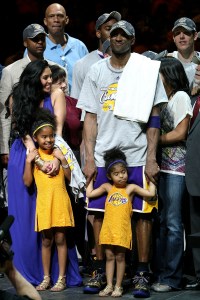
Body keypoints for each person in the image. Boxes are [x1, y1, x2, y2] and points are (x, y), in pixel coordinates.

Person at [77, 20, 168, 297]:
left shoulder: (145, 68)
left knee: (142, 214)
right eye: (114, 34)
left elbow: (155, 116)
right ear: (108, 38)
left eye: (123, 35)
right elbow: (90, 117)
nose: (118, 38)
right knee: (97, 213)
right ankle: (99, 269)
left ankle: (141, 272)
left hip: (137, 151)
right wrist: (89, 156)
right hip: (104, 153)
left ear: (132, 38)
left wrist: (152, 157)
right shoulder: (95, 71)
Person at [7, 60, 82, 287]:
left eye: (51, 76)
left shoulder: (56, 94)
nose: (51, 81)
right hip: (25, 156)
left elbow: (57, 130)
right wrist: (37, 160)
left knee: (52, 217)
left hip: (51, 151)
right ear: (34, 79)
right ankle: (28, 271)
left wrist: (55, 158)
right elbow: (23, 133)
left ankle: (58, 274)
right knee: (26, 216)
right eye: (46, 77)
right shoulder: (16, 98)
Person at [86, 147, 156, 297]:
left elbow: (150, 194)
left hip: (122, 231)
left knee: (120, 257)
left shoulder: (130, 188)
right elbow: (90, 193)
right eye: (116, 174)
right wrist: (90, 180)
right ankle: (109, 285)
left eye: (123, 172)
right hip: (108, 230)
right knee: (109, 257)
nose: (121, 176)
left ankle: (119, 286)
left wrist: (151, 181)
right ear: (110, 176)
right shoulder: (107, 187)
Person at [151, 57, 193, 292]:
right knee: (162, 223)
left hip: (176, 169)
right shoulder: (161, 99)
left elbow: (180, 132)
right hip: (160, 167)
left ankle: (173, 277)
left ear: (168, 74)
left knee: (174, 224)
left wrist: (153, 140)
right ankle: (160, 272)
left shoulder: (180, 97)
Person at [23, 108, 74, 292]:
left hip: (59, 202)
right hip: (44, 204)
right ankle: (46, 277)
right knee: (46, 241)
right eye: (44, 137)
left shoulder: (58, 153)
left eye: (51, 136)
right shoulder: (35, 157)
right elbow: (27, 182)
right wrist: (29, 162)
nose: (49, 140)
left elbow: (69, 178)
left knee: (60, 239)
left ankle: (61, 278)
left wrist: (62, 160)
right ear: (36, 138)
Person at [71, 11, 121, 100]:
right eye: (108, 29)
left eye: (116, 29)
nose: (113, 33)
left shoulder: (128, 62)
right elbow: (76, 101)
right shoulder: (82, 64)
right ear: (98, 33)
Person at [43, 2, 89, 93]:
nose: (56, 19)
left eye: (60, 16)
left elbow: (89, 77)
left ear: (66, 20)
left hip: (77, 104)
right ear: (45, 21)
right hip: (48, 104)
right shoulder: (39, 47)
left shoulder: (79, 46)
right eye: (51, 16)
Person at [168, 17, 200, 94]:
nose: (181, 36)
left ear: (195, 36)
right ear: (173, 38)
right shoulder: (167, 60)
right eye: (177, 33)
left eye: (186, 32)